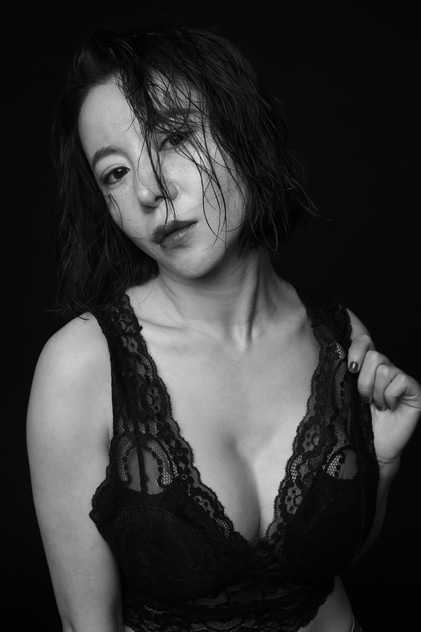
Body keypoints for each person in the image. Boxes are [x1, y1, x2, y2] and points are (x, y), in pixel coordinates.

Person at [26, 21, 420, 632]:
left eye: (174, 137)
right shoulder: (83, 365)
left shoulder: (340, 335)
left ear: (243, 131)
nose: (150, 190)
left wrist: (382, 465)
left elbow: (327, 566)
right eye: (115, 172)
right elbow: (87, 624)